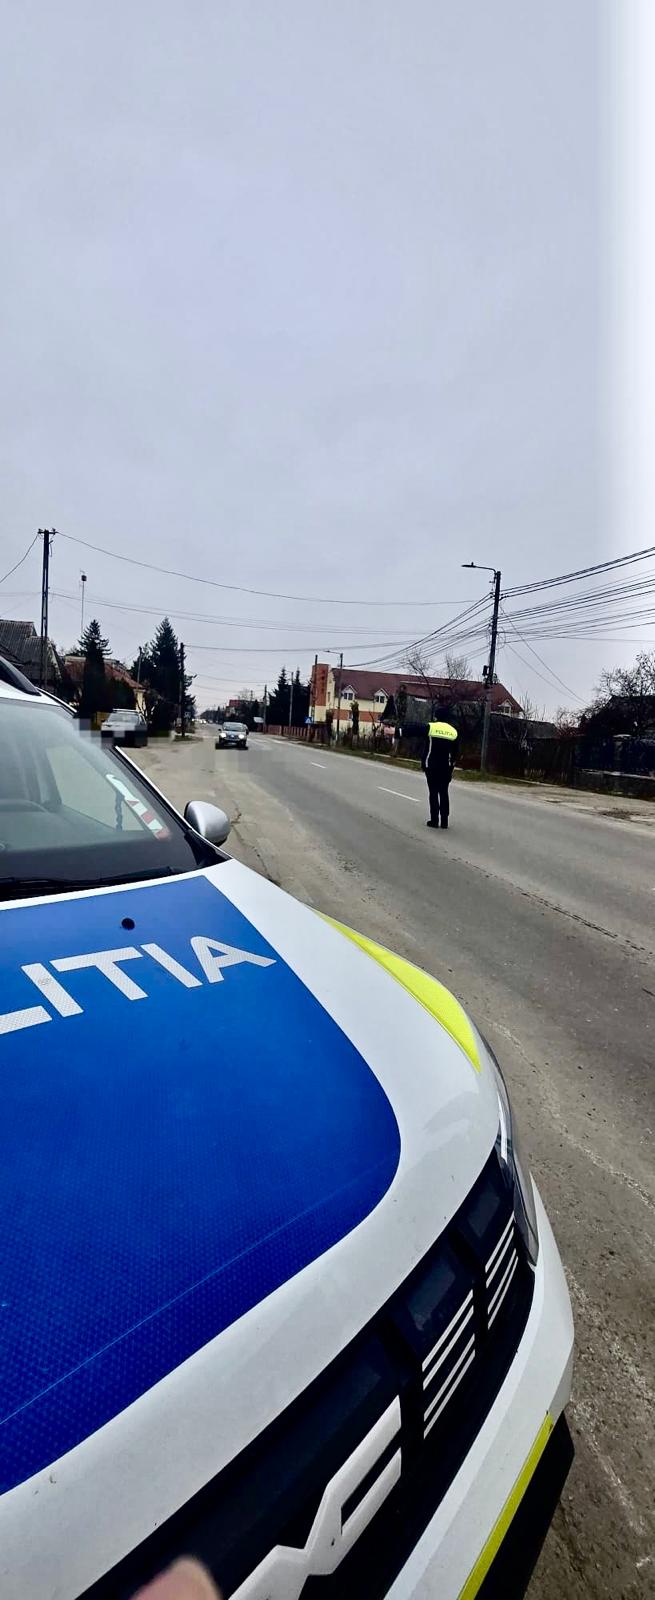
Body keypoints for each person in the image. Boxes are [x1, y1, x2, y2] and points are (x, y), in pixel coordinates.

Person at [398, 706, 459, 829]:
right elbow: (455, 752)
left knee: (433, 792)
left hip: (431, 765)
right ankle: (445, 821)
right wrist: (451, 767)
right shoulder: (453, 731)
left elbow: (415, 730)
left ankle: (434, 820)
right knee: (444, 792)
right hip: (446, 767)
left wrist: (400, 732)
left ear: (436, 717)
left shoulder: (431, 727)